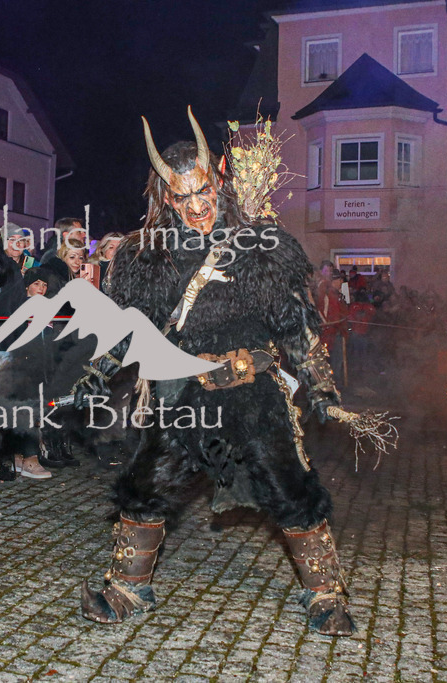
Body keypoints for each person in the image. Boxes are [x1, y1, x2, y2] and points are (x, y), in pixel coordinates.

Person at [71, 108, 355, 636]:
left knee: (289, 485)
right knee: (144, 483)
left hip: (251, 390)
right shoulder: (143, 256)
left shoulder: (264, 247)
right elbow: (130, 327)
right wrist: (96, 373)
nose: (197, 207)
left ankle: (324, 592)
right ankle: (129, 587)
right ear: (165, 198)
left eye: (203, 192)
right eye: (183, 198)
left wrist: (320, 387)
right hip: (181, 393)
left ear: (218, 184)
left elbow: (296, 326)